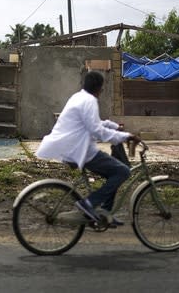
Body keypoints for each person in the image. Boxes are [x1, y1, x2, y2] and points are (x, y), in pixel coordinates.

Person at [35, 71, 141, 225]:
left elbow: (95, 123)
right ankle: (88, 203)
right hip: (81, 150)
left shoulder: (79, 97)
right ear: (99, 88)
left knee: (113, 174)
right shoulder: (90, 101)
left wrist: (115, 127)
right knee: (122, 171)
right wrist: (126, 137)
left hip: (73, 147)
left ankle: (105, 213)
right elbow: (97, 131)